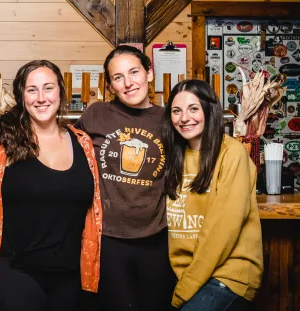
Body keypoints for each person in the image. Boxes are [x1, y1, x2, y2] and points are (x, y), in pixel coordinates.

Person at [0, 60, 103, 311]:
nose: (41, 97)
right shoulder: (2, 144)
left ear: (61, 93)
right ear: (21, 97)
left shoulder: (82, 143)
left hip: (70, 275)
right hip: (14, 272)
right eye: (32, 90)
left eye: (48, 88)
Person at [75, 45, 175, 311]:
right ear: (110, 85)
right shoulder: (95, 114)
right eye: (118, 77)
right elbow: (67, 155)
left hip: (157, 237)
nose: (128, 83)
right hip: (108, 239)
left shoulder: (168, 120)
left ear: (149, 73)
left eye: (134, 72)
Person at [163, 80, 263, 310]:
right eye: (176, 111)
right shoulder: (174, 156)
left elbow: (221, 232)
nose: (184, 118)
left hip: (228, 275)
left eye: (193, 108)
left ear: (210, 110)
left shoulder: (231, 153)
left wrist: (184, 291)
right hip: (188, 276)